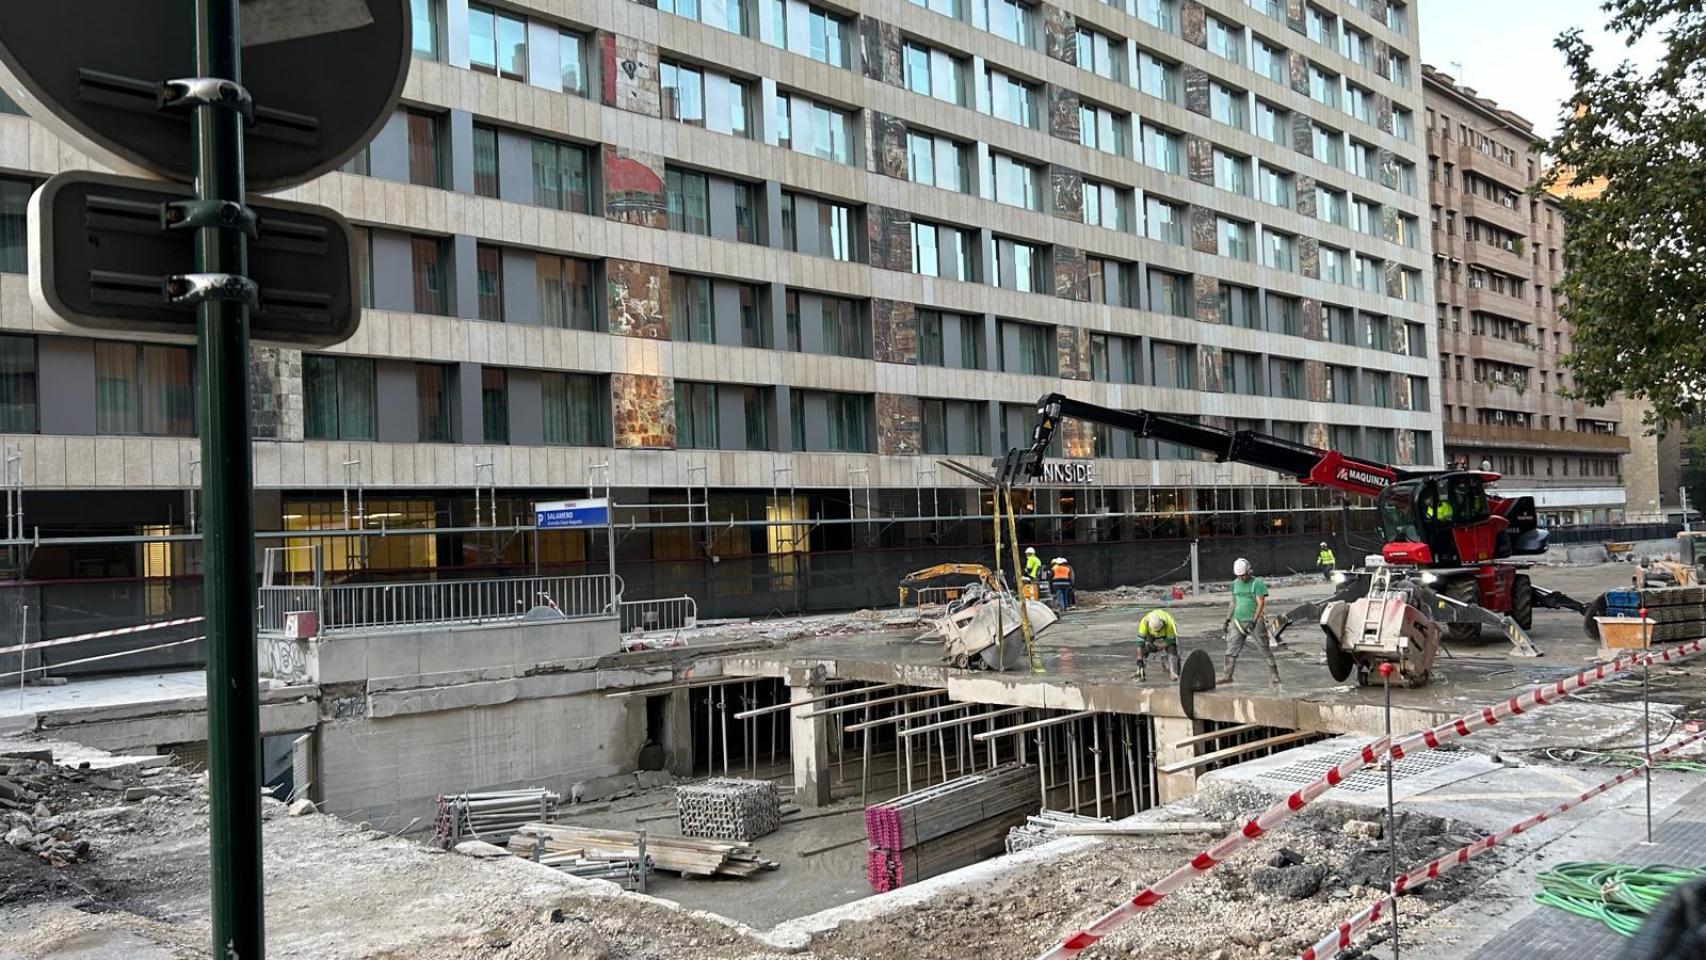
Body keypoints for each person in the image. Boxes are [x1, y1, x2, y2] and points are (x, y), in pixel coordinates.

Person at [1222, 557, 1280, 685]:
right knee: (1231, 650)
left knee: (1264, 648)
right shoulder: (1235, 584)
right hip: (1237, 621)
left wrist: (1253, 621)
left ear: (1249, 571)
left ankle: (1274, 675)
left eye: (1243, 575)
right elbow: (1233, 603)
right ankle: (1227, 675)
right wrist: (1227, 619)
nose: (1241, 578)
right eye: (1238, 576)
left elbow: (1261, 604)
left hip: (1255, 622)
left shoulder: (1257, 583)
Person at [1134, 609, 1180, 681]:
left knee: (1172, 649)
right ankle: (1140, 670)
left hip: (1166, 634)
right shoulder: (1144, 623)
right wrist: (1139, 657)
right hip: (1150, 633)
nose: (1157, 633)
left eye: (1158, 630)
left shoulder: (1169, 623)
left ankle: (1173, 672)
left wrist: (1159, 647)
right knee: (1145, 648)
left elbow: (1170, 640)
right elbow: (1140, 642)